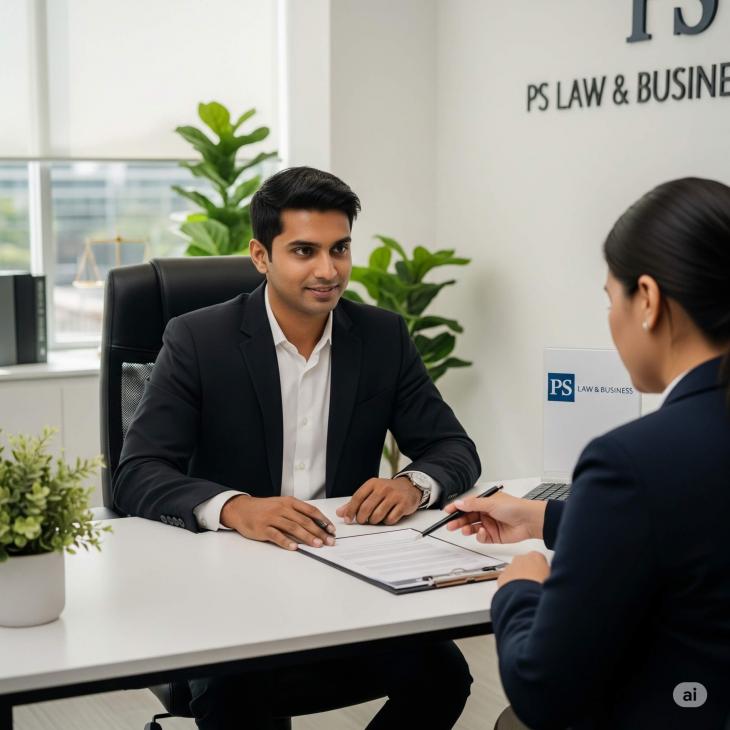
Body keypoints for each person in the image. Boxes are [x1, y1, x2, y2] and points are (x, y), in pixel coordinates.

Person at [113, 166, 479, 729]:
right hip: (233, 592)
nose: (328, 271)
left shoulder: (380, 337)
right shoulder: (197, 339)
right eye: (304, 251)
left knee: (444, 677)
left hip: (348, 581)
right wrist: (236, 507)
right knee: (241, 704)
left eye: (340, 249)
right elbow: (137, 472)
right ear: (261, 256)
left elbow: (452, 447)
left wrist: (410, 483)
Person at [445, 177, 730, 729]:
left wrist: (520, 590)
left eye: (609, 299)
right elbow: (697, 521)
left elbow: (545, 689)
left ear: (646, 299)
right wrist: (545, 517)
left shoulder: (631, 460)